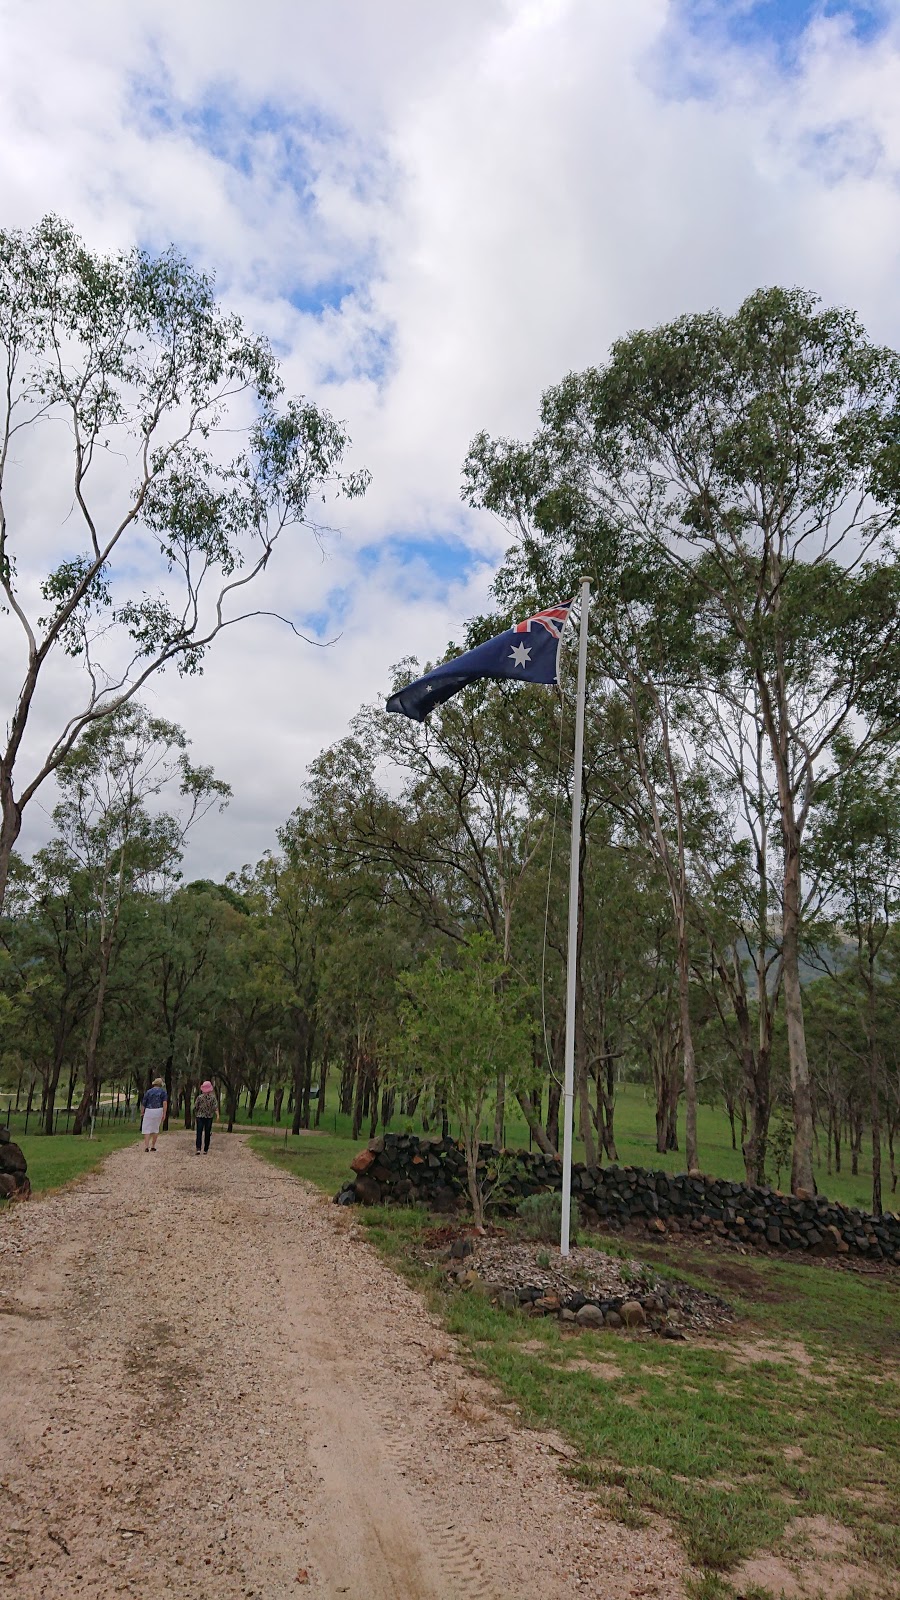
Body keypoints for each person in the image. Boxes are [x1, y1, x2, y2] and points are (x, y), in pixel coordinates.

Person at [140, 1077, 168, 1152]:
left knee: (146, 1128)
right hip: (158, 1110)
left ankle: (146, 1146)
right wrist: (164, 1113)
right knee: (156, 1128)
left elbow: (144, 1103)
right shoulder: (163, 1092)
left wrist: (142, 1112)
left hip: (149, 1110)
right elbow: (164, 1103)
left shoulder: (149, 1092)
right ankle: (153, 1146)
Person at [193, 1079, 219, 1154]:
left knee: (199, 1132)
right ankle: (205, 1149)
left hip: (200, 1117)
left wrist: (196, 1114)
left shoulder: (199, 1097)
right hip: (209, 1117)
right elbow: (215, 1107)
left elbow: (195, 1107)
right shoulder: (213, 1098)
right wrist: (217, 1115)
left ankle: (198, 1148)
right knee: (207, 1133)